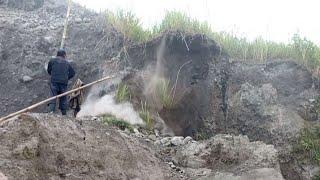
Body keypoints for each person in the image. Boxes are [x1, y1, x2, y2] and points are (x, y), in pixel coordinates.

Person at [47, 49, 75, 115]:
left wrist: (53, 75)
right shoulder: (67, 63)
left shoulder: (52, 60)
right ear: (64, 55)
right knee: (63, 98)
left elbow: (49, 70)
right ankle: (64, 114)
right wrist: (66, 78)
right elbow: (72, 73)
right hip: (63, 83)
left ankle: (50, 112)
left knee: (53, 96)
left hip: (54, 82)